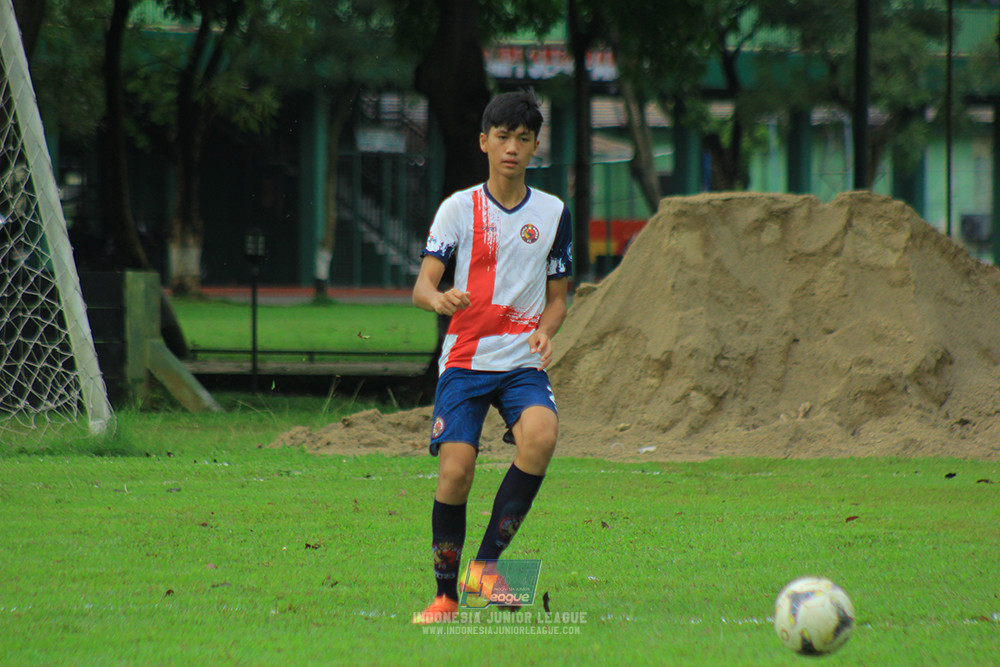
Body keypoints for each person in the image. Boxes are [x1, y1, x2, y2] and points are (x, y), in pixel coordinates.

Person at [411, 90, 572, 624]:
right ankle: (444, 597)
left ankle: (486, 571)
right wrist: (439, 300)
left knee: (542, 435)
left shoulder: (553, 213)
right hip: (465, 360)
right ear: (484, 142)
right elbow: (423, 286)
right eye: (502, 137)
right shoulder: (458, 209)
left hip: (521, 361)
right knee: (456, 472)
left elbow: (558, 299)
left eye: (523, 139)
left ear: (535, 147)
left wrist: (546, 331)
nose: (512, 148)